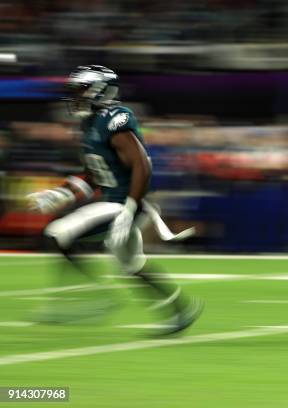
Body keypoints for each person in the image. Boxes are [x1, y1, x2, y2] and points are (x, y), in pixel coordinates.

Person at [27, 65, 201, 335]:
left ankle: (93, 297)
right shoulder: (89, 123)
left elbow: (142, 166)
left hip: (122, 203)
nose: (75, 96)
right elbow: (94, 174)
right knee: (130, 265)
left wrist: (129, 210)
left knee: (57, 233)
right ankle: (180, 309)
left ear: (100, 91)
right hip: (117, 202)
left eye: (81, 90)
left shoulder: (115, 119)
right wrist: (59, 193)